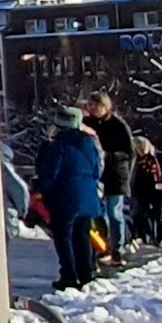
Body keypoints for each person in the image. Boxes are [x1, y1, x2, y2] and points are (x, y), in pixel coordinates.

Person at [33, 107, 103, 291]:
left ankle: (69, 275)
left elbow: (49, 172)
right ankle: (86, 273)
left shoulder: (58, 145)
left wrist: (38, 189)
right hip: (87, 195)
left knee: (63, 237)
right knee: (82, 236)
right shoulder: (89, 143)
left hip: (64, 196)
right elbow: (97, 169)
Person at [81, 92, 135, 266]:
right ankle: (102, 246)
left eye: (96, 105)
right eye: (91, 106)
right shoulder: (87, 124)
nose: (93, 109)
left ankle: (118, 247)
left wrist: (110, 157)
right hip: (96, 174)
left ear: (105, 106)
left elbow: (129, 152)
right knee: (99, 213)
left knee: (114, 211)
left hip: (115, 174)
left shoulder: (118, 125)